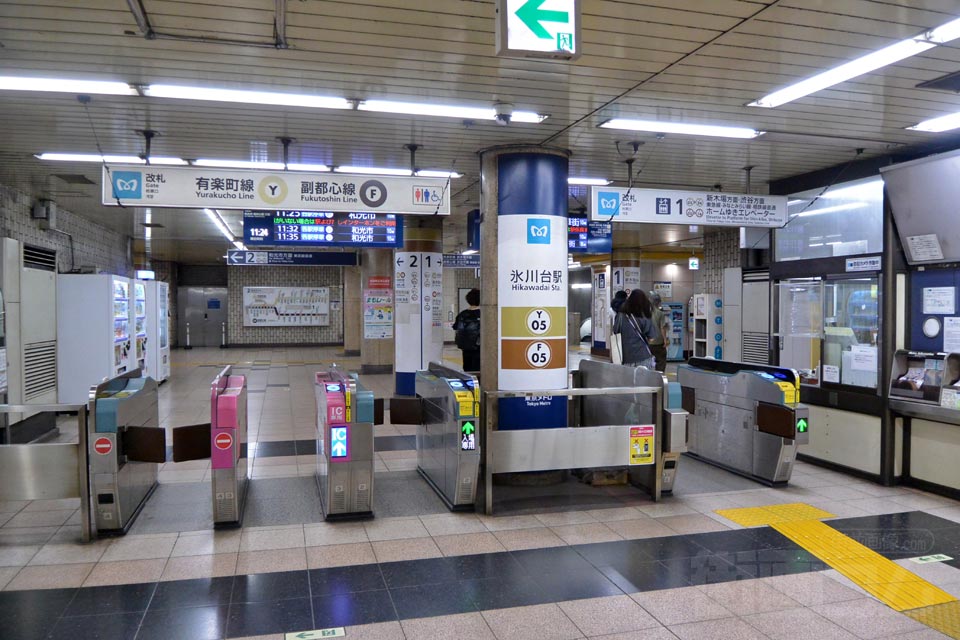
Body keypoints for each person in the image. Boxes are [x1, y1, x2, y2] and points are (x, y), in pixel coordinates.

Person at [613, 289, 657, 369]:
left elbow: (616, 331)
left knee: (627, 381)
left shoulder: (621, 315)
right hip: (643, 356)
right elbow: (652, 338)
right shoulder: (645, 315)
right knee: (643, 381)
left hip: (625, 357)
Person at [453, 288, 481, 372]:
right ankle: (478, 384)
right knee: (477, 367)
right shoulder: (482, 313)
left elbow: (455, 327)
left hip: (465, 346)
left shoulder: (462, 314)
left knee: (467, 367)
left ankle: (469, 383)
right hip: (478, 346)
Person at [648, 292, 671, 372]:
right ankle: (659, 378)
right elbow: (662, 328)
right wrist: (665, 340)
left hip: (647, 342)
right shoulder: (660, 313)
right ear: (659, 302)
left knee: (647, 362)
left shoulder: (645, 313)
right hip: (658, 342)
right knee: (661, 361)